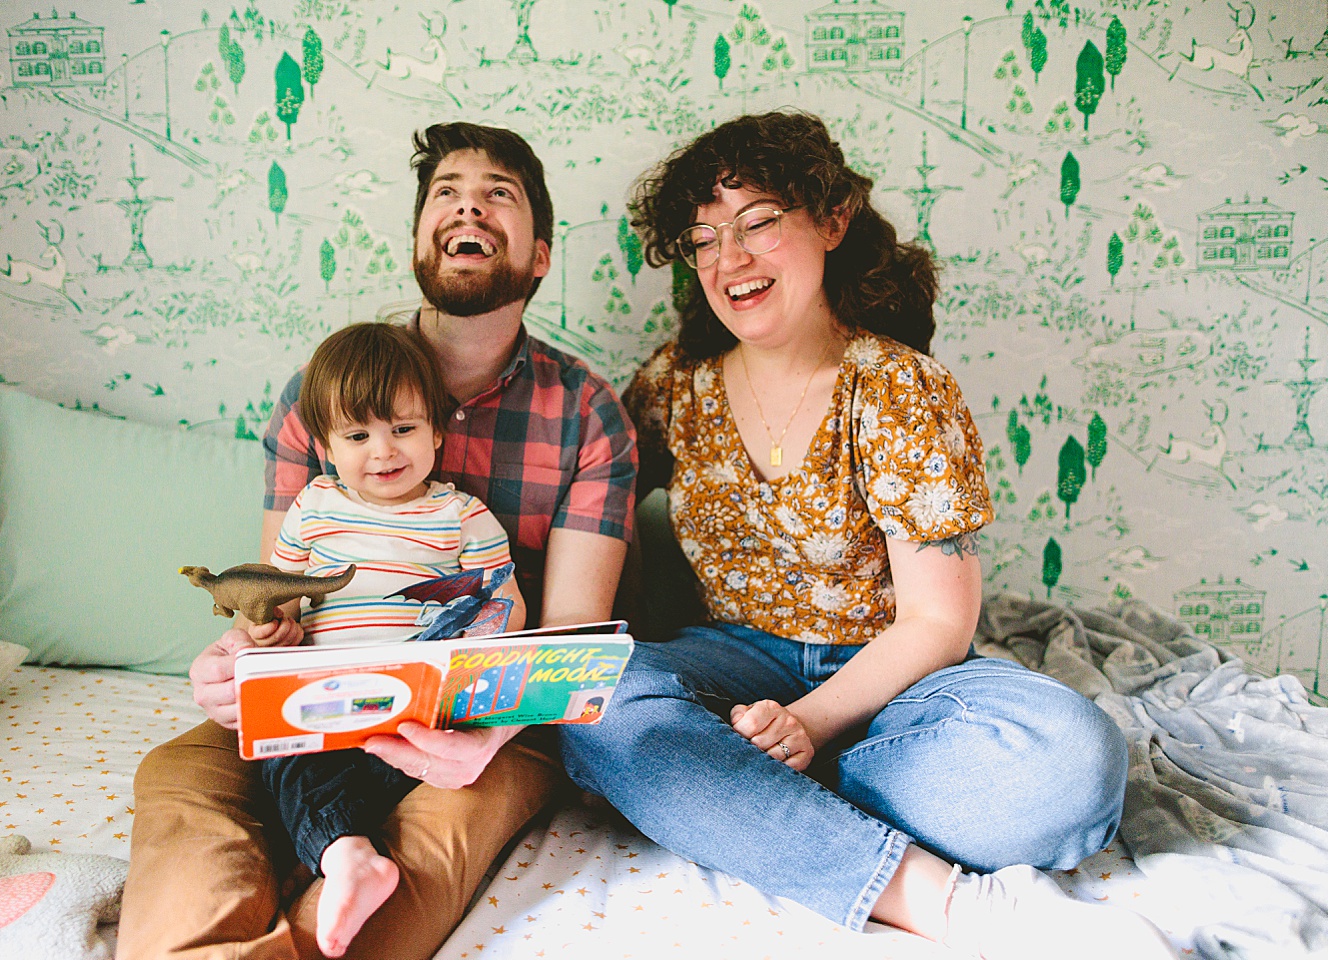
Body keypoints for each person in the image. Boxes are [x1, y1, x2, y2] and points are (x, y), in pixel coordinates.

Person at [557, 110, 1174, 960]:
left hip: (893, 682)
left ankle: (739, 796)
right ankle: (925, 897)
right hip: (731, 665)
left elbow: (937, 623)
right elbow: (595, 523)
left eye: (759, 223)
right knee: (595, 708)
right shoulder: (673, 386)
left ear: (831, 221)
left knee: (1072, 764)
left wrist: (806, 725)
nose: (729, 259)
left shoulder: (900, 387)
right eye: (703, 240)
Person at [120, 122, 637, 960]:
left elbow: (568, 640)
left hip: (485, 716)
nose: (468, 201)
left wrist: (482, 739)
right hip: (323, 692)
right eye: (447, 191)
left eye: (497, 192)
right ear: (419, 239)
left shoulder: (586, 413)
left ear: (539, 255)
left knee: (427, 843)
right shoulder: (321, 393)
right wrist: (243, 650)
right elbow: (283, 598)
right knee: (179, 781)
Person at [257, 322, 527, 957]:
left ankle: (335, 851)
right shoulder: (314, 507)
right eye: (358, 435)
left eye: (402, 429)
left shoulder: (461, 516)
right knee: (280, 754)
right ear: (325, 446)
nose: (383, 451)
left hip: (414, 708)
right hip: (322, 703)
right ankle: (348, 856)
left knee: (379, 770)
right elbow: (281, 597)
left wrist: (480, 646)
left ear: (437, 430)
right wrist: (270, 625)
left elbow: (508, 610)